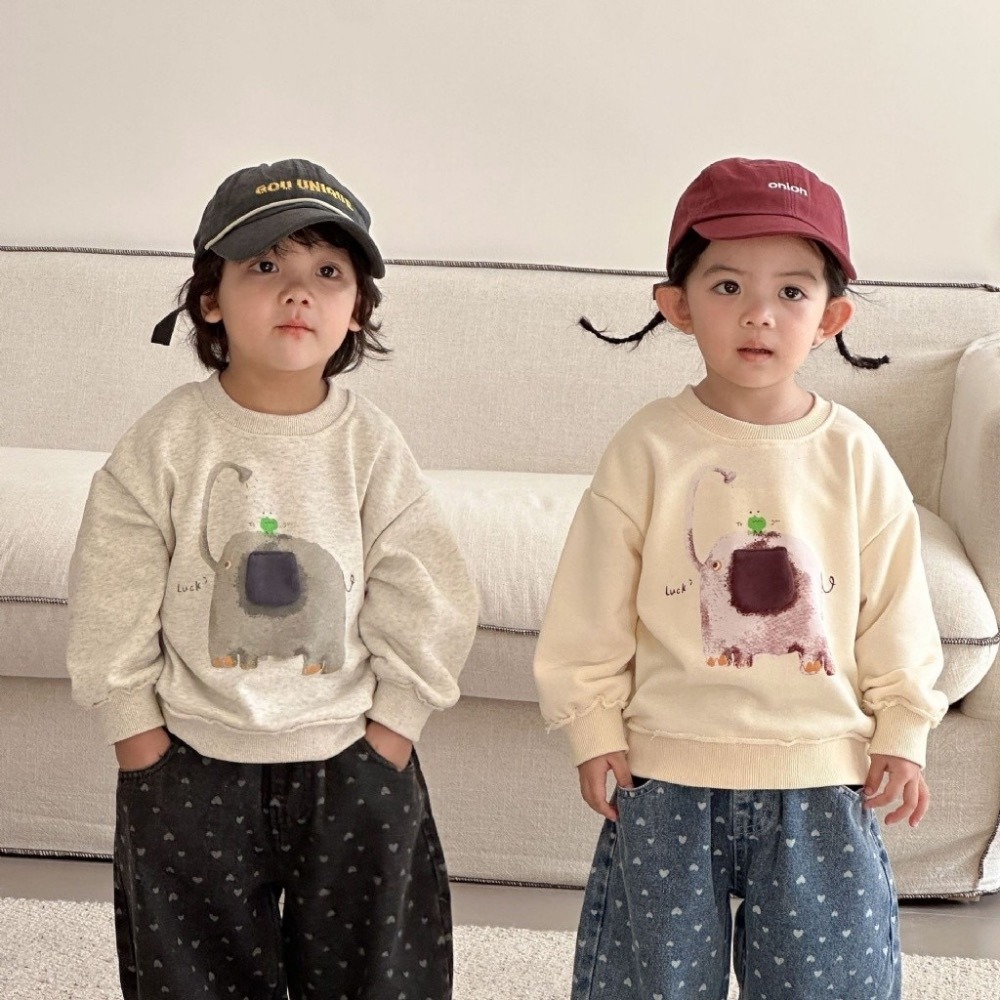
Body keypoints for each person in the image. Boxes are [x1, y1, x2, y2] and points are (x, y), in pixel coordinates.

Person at [533, 156, 947, 1000]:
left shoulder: (854, 453)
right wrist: (592, 722)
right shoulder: (649, 446)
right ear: (677, 306)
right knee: (646, 986)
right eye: (727, 286)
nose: (759, 314)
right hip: (666, 776)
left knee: (831, 986)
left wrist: (903, 728)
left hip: (822, 779)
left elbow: (896, 607)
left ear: (831, 317)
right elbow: (591, 601)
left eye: (792, 291)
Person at [67, 158, 478, 1000]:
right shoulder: (166, 442)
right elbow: (113, 586)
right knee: (191, 978)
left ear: (356, 309)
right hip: (187, 760)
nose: (298, 292)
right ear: (209, 300)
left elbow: (424, 585)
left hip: (353, 759)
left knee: (379, 977)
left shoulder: (371, 445)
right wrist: (135, 732)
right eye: (265, 265)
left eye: (328, 272)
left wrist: (397, 725)